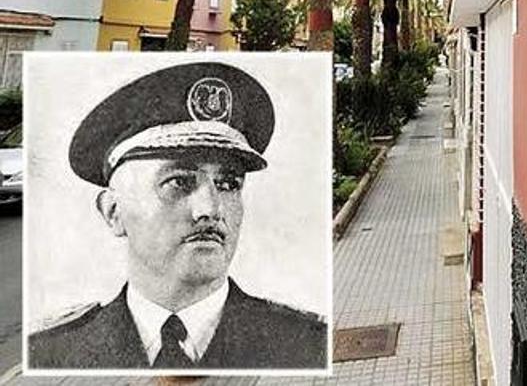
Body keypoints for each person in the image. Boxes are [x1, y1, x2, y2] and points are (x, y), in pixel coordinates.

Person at [27, 61, 326, 370]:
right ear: (114, 212)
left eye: (228, 184)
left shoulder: (308, 343)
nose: (210, 209)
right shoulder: (51, 353)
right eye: (179, 182)